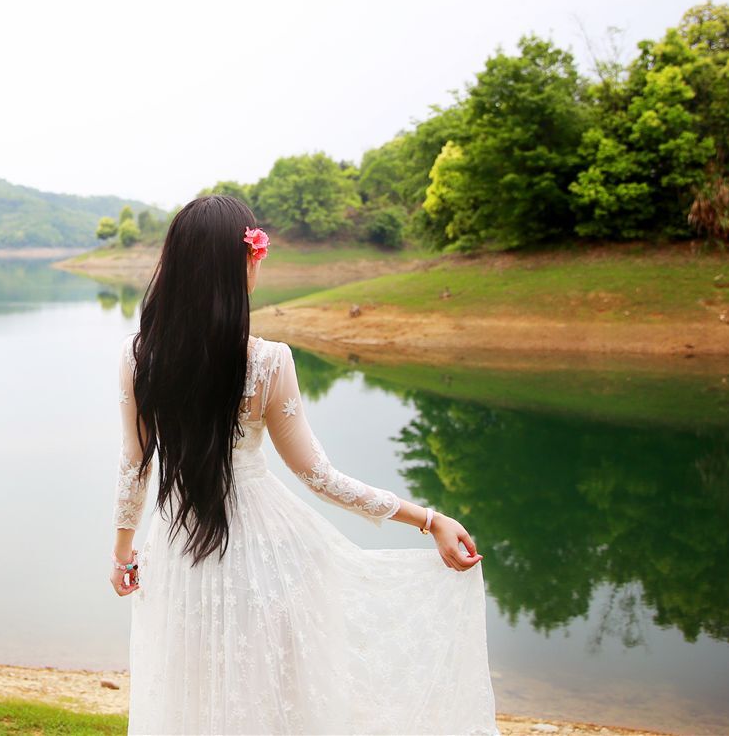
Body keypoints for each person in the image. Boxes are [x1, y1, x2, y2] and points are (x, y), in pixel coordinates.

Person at [109, 195, 499, 735]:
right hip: (267, 553)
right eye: (256, 253)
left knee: (189, 694)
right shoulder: (268, 362)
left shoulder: (139, 357)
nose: (259, 262)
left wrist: (123, 552)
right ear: (241, 263)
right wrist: (429, 519)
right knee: (270, 699)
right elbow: (319, 477)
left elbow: (135, 464)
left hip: (175, 549)